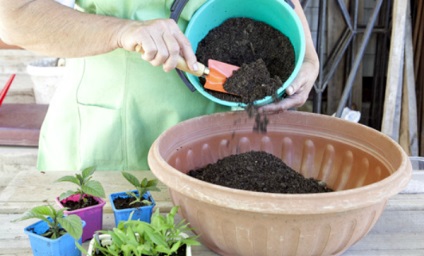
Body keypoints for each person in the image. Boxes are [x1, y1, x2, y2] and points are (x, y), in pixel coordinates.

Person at [0, 0, 319, 171]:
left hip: (222, 129)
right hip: (118, 134)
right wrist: (122, 31)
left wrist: (307, 55)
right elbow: (15, 15)